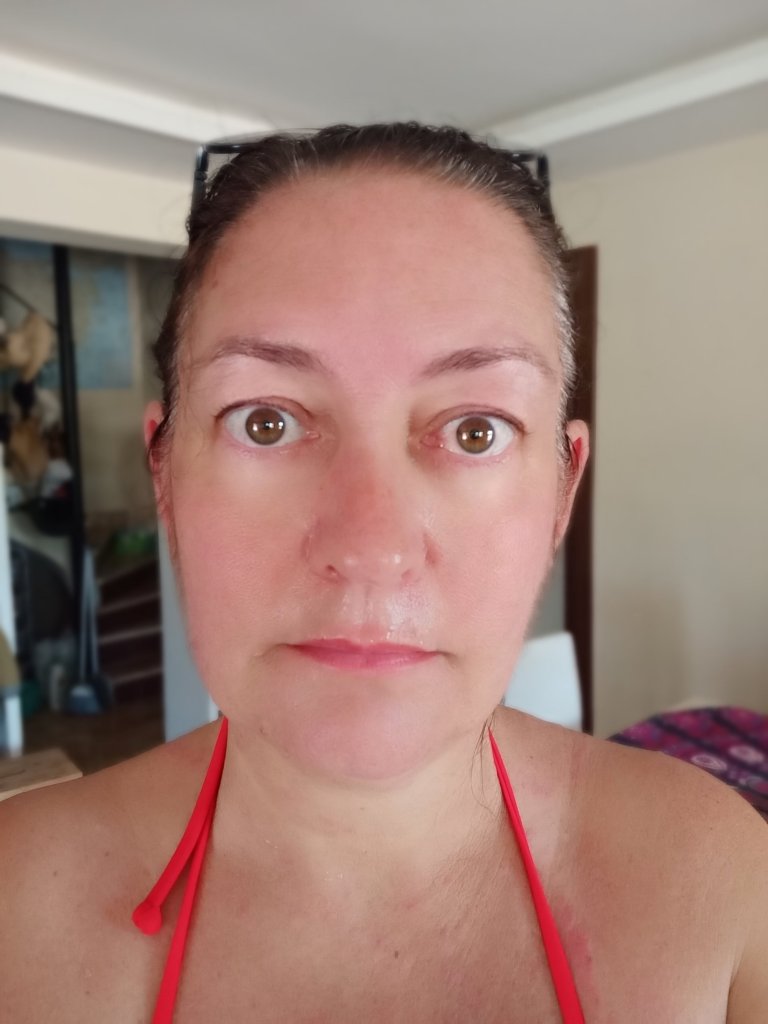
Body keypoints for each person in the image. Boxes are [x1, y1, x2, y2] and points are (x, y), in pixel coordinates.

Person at [1, 122, 766, 1022]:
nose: (371, 547)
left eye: (475, 430)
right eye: (265, 422)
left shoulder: (720, 888)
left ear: (561, 493)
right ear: (164, 478)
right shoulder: (18, 903)